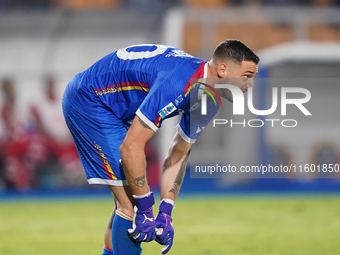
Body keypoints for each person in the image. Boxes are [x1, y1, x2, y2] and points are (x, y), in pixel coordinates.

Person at [62, 39, 259, 255]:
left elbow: (178, 154)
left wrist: (166, 210)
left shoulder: (209, 98)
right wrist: (146, 206)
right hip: (89, 99)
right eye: (246, 76)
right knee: (132, 204)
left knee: (129, 200)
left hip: (115, 108)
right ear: (223, 70)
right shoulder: (180, 81)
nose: (250, 85)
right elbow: (130, 147)